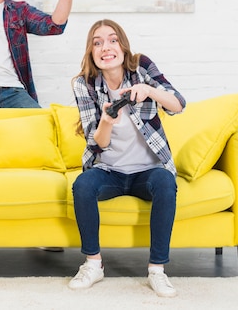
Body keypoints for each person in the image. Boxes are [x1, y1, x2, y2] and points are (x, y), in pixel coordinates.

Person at [68, 19, 186, 297]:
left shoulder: (141, 66)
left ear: (122, 46)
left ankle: (157, 270)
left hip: (148, 171)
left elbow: (178, 104)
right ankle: (93, 264)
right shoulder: (84, 84)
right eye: (97, 43)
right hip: (109, 171)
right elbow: (96, 142)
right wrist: (107, 120)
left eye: (112, 40)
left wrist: (149, 91)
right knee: (82, 185)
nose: (105, 47)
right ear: (91, 52)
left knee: (165, 183)